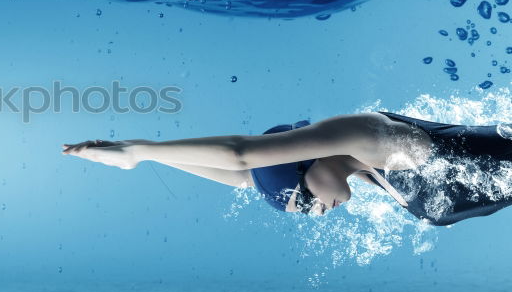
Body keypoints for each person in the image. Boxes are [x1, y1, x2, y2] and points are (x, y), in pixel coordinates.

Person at [61, 111, 512, 226]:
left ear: (303, 161)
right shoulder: (368, 174)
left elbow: (242, 156)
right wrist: (153, 161)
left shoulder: (374, 141)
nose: (318, 211)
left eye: (306, 201)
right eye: (305, 211)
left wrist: (142, 148)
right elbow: (244, 177)